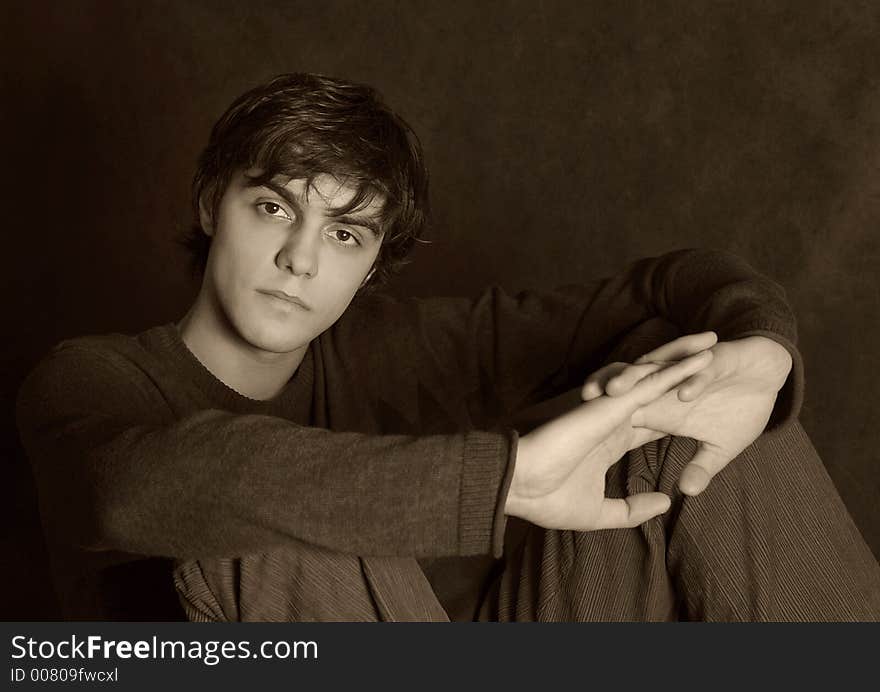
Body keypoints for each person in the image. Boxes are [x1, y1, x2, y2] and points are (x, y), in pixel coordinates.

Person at [16, 73, 880, 622]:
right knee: (259, 514)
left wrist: (764, 356)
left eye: (347, 234)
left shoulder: (394, 349)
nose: (300, 258)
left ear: (371, 268)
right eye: (274, 207)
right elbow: (132, 490)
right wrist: (506, 477)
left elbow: (672, 288)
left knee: (694, 394)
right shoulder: (87, 378)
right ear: (213, 205)